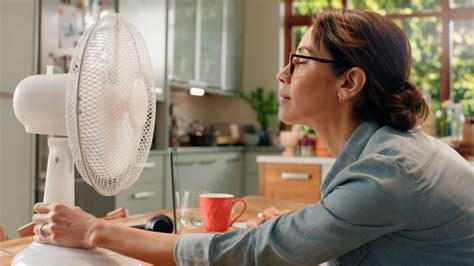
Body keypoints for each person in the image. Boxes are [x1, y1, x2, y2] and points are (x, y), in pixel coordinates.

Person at [32, 9, 474, 265]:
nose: (282, 74)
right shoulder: (387, 152)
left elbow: (255, 252)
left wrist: (96, 233)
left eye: (299, 61)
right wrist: (305, 227)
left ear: (348, 83)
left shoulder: (388, 171)